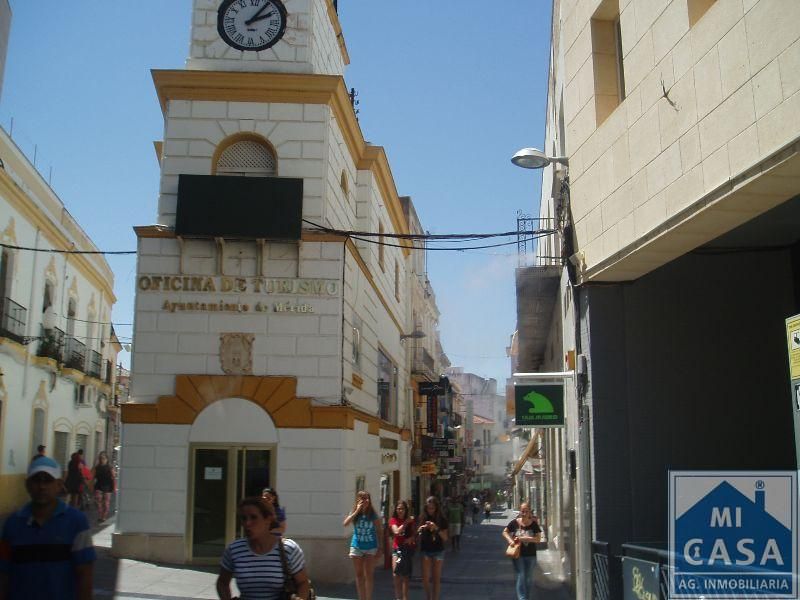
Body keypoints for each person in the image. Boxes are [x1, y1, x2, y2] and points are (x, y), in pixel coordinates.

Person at [0, 456, 95, 600]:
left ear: (59, 485)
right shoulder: (13, 524)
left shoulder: (77, 522)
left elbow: (85, 574)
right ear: (27, 485)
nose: (42, 486)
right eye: (37, 480)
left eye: (48, 480)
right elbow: (4, 573)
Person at [216, 496, 310, 600]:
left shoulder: (288, 548)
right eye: (243, 518)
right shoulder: (234, 550)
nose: (247, 523)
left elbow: (303, 583)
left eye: (253, 517)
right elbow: (222, 582)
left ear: (268, 519)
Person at [343, 490, 382, 600]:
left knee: (368, 575)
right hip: (357, 546)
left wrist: (380, 547)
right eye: (363, 498)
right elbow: (345, 523)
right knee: (359, 575)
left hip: (370, 546)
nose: (366, 501)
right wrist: (356, 511)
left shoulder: (373, 514)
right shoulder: (355, 512)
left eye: (367, 498)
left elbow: (379, 530)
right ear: (358, 500)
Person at [502, 502, 542, 600]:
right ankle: (522, 598)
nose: (524, 513)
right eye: (522, 511)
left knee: (528, 579)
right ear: (520, 511)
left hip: (531, 555)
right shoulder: (514, 522)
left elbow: (538, 539)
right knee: (521, 575)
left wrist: (526, 539)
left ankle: (526, 597)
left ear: (529, 512)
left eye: (526, 511)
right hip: (518, 554)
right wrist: (510, 540)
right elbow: (505, 532)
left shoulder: (533, 525)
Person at [417, 496, 449, 600]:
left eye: (432, 508)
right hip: (425, 549)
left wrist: (436, 528)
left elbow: (445, 537)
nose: (430, 510)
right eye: (428, 508)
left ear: (436, 508)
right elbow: (417, 534)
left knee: (436, 578)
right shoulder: (422, 517)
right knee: (425, 578)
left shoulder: (442, 519)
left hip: (438, 550)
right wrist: (421, 529)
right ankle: (428, 597)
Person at [389, 500, 416, 600]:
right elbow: (396, 532)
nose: (400, 511)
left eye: (402, 509)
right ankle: (398, 598)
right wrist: (405, 522)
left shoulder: (411, 521)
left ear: (406, 510)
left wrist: (411, 539)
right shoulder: (393, 520)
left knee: (405, 576)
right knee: (396, 574)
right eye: (398, 509)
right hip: (397, 550)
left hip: (407, 550)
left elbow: (414, 535)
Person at [92, 451, 115, 523]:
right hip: (98, 486)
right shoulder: (96, 468)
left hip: (107, 486)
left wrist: (114, 487)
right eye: (101, 458)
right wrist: (91, 486)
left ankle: (104, 516)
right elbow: (92, 477)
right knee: (98, 502)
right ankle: (100, 515)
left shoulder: (110, 468)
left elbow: (113, 477)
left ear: (107, 459)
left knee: (106, 503)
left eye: (104, 458)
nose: (102, 460)